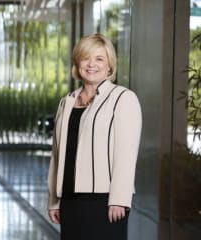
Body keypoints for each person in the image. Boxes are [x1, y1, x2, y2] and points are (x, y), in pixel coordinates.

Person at [47, 33, 142, 240]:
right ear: (77, 63)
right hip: (70, 201)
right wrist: (54, 200)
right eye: (86, 57)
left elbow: (126, 153)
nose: (91, 64)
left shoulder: (123, 98)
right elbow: (57, 155)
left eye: (99, 58)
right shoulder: (67, 102)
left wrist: (119, 198)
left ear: (109, 66)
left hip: (105, 201)